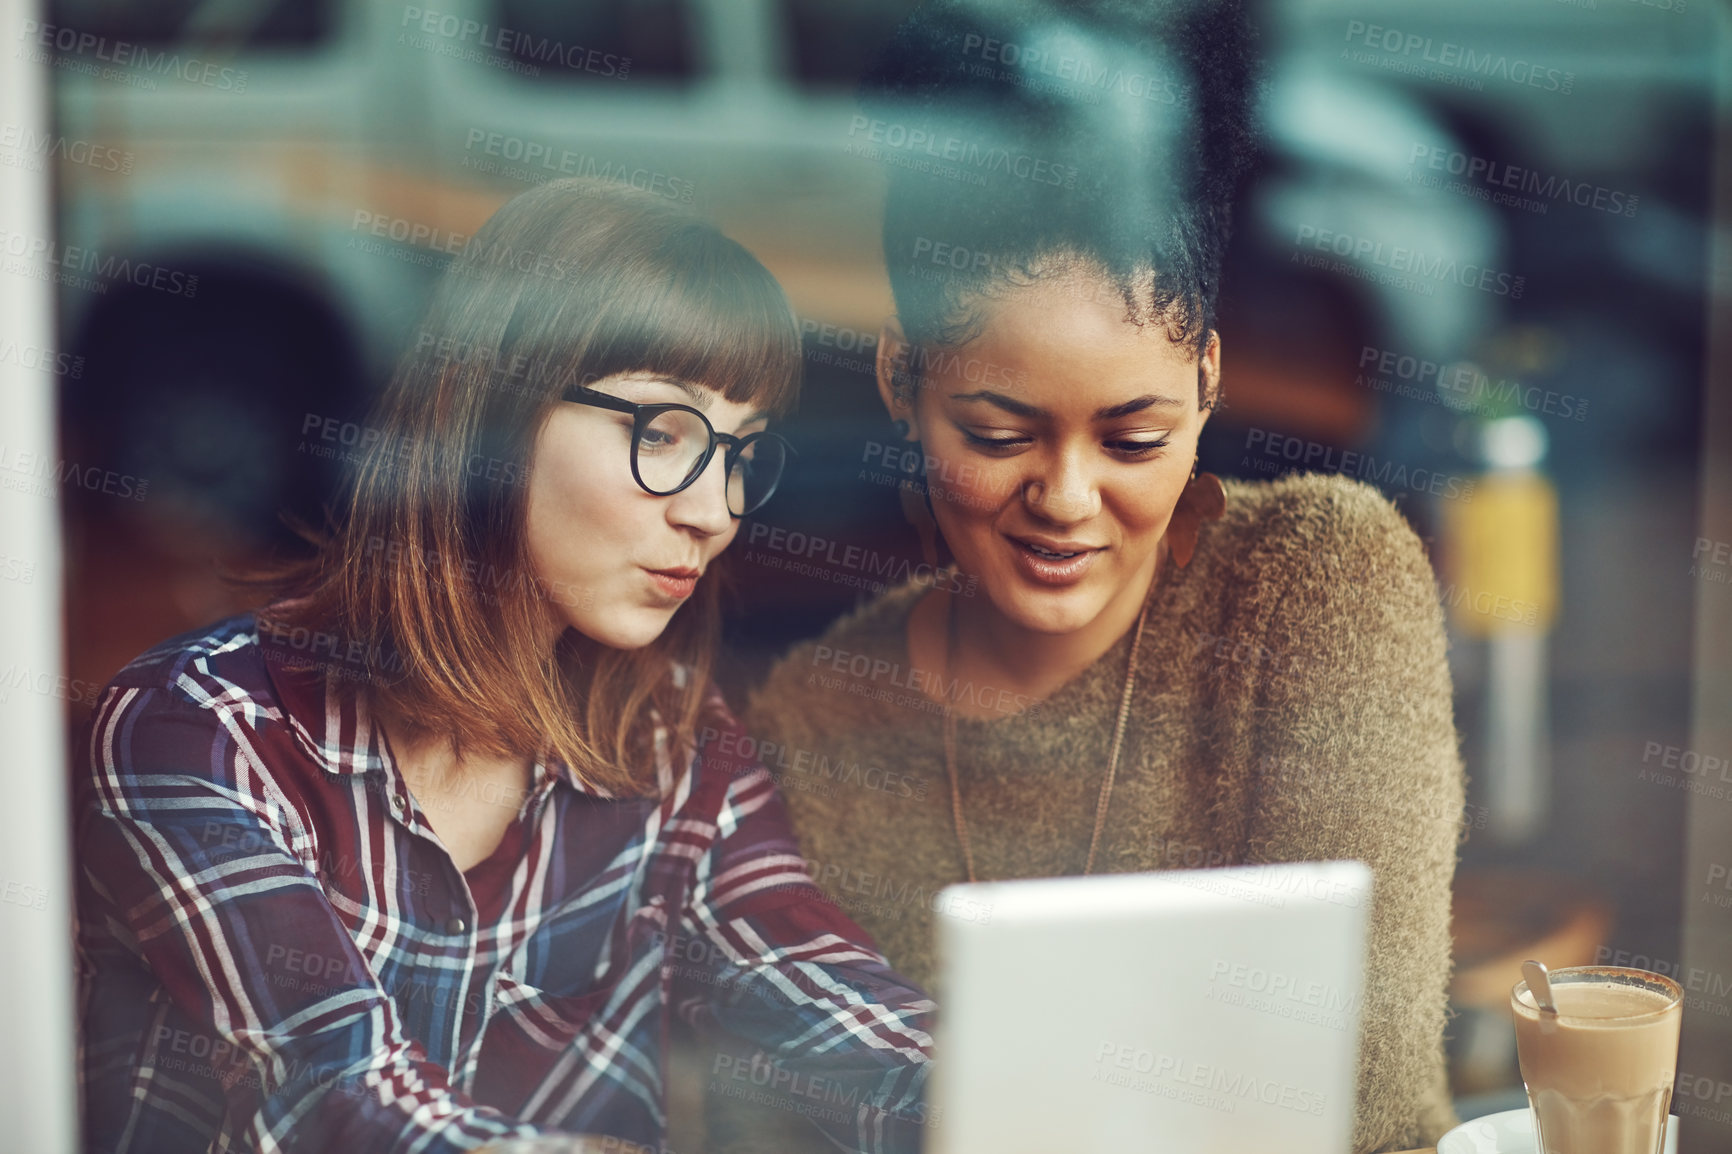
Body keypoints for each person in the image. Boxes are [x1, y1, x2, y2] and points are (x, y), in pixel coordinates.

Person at [727, 2, 1466, 1152]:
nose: (1068, 498)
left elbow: (1362, 1103)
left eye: (1132, 440)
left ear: (1211, 383)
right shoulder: (812, 724)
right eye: (998, 432)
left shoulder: (1315, 579)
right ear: (901, 382)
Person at [73, 178, 933, 1154]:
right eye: (664, 434)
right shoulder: (199, 727)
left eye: (738, 454)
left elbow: (823, 994)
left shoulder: (669, 732)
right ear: (485, 415)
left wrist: (1003, 1086)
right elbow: (337, 1089)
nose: (714, 511)